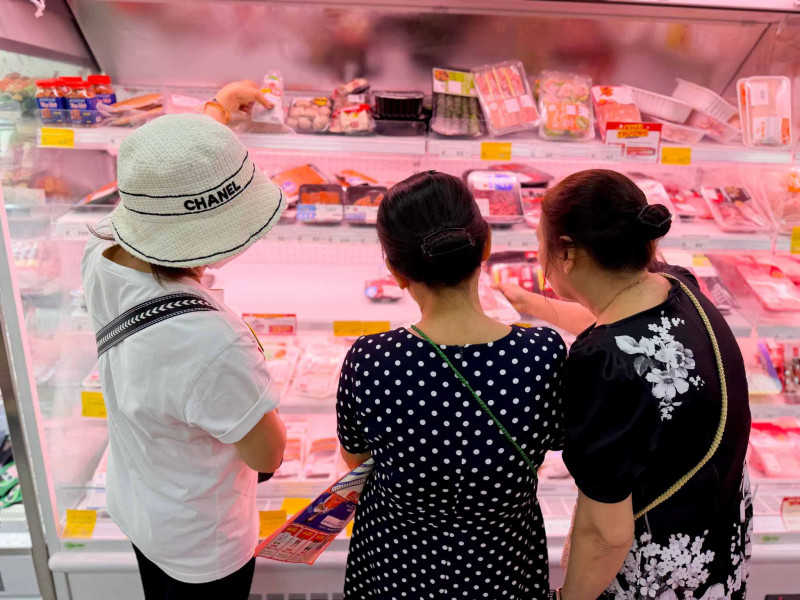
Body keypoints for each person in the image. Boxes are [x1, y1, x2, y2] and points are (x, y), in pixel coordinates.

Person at [498, 169, 752, 600]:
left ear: (567, 252)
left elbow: (606, 534)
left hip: (656, 576)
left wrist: (568, 597)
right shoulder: (677, 286)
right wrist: (528, 303)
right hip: (717, 545)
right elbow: (618, 325)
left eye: (539, 241)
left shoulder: (603, 364)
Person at [81, 81, 288, 598]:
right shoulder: (212, 342)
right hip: (205, 548)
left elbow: (168, 182)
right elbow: (267, 455)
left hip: (142, 507)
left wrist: (217, 112)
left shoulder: (101, 252)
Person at [335, 171, 568, 600]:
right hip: (501, 566)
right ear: (486, 246)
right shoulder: (542, 353)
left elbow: (357, 459)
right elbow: (547, 446)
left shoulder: (370, 359)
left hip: (395, 566)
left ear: (395, 271)